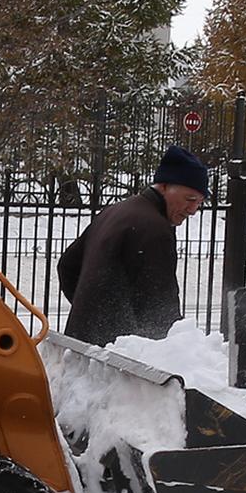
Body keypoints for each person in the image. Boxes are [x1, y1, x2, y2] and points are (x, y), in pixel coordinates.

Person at [56, 145, 208, 345]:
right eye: (189, 199)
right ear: (164, 186)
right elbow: (160, 305)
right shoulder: (153, 228)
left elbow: (67, 266)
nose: (193, 210)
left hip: (85, 346)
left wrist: (93, 311)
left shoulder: (116, 211)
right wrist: (172, 347)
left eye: (199, 202)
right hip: (119, 356)